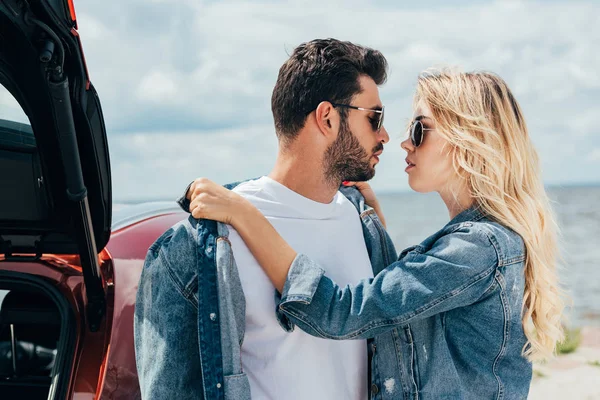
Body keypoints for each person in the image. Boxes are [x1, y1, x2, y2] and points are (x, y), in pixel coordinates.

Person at [186, 69, 566, 399]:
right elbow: (410, 314)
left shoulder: (476, 248)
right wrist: (372, 221)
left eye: (419, 130)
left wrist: (245, 215)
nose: (403, 142)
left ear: (467, 140)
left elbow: (340, 313)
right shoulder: (484, 242)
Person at [134, 38, 395, 400]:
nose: (384, 136)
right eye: (374, 118)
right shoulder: (194, 247)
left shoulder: (366, 227)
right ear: (328, 118)